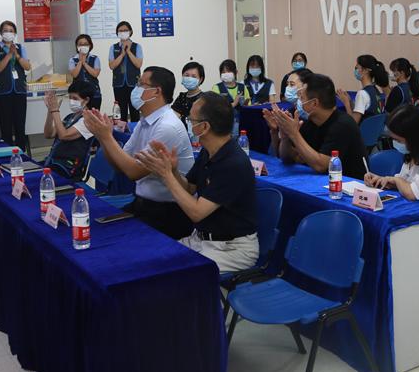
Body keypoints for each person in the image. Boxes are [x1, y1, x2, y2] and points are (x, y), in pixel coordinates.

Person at [136, 92, 259, 272]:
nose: (188, 123)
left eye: (191, 120)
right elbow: (189, 187)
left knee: (169, 273)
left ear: (204, 127)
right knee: (154, 259)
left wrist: (166, 175)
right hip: (201, 239)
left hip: (231, 248)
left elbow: (196, 212)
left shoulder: (233, 163)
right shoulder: (209, 151)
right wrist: (173, 171)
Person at [83, 66, 195, 239]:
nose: (135, 89)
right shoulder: (145, 122)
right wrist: (103, 137)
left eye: (141, 84)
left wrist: (106, 137)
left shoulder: (168, 126)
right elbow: (120, 165)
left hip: (168, 212)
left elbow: (134, 172)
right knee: (94, 228)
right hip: (143, 204)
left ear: (156, 91)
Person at [267, 72, 367, 178]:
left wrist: (294, 134)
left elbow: (321, 166)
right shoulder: (309, 121)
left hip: (348, 183)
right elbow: (289, 158)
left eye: (301, 98)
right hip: (320, 180)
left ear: (314, 103)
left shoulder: (342, 125)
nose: (298, 102)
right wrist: (285, 136)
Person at [0, 20, 31, 156]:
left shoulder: (20, 47)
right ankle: (7, 155)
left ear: (15, 33)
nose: (8, 33)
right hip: (3, 92)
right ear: (1, 33)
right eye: (5, 30)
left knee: (20, 125)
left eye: (11, 31)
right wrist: (9, 54)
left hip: (19, 90)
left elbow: (27, 67)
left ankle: (21, 154)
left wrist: (17, 55)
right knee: (6, 126)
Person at [42, 81, 95, 181]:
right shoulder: (70, 117)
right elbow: (48, 134)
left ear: (86, 100)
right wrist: (50, 111)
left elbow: (64, 135)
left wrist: (55, 111)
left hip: (68, 169)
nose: (71, 101)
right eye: (70, 98)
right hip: (55, 162)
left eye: (75, 98)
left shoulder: (88, 120)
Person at [337, 54, 388, 124]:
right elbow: (363, 109)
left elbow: (353, 123)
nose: (355, 71)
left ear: (366, 70)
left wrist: (346, 103)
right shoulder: (375, 89)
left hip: (363, 130)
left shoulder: (362, 94)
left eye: (357, 68)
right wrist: (350, 101)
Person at [109, 21, 143, 121]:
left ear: (130, 31)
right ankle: (122, 129)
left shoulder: (137, 47)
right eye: (120, 31)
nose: (123, 32)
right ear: (117, 33)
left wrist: (128, 51)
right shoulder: (113, 47)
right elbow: (112, 65)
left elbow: (138, 64)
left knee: (134, 111)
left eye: (125, 30)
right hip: (118, 84)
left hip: (134, 83)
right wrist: (122, 54)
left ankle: (135, 129)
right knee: (121, 111)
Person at [68, 33, 102, 110]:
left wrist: (84, 63)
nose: (83, 46)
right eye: (80, 44)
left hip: (94, 93)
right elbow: (74, 75)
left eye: (85, 44)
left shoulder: (95, 58)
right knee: (81, 114)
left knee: (95, 114)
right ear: (77, 46)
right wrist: (80, 61)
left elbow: (95, 74)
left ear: (90, 45)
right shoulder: (72, 59)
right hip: (79, 95)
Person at [215, 59, 249, 136]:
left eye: (228, 71)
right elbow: (217, 108)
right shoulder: (217, 87)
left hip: (241, 124)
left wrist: (245, 104)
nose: (226, 74)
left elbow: (248, 106)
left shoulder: (242, 87)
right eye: (223, 72)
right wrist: (234, 103)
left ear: (236, 72)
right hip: (223, 126)